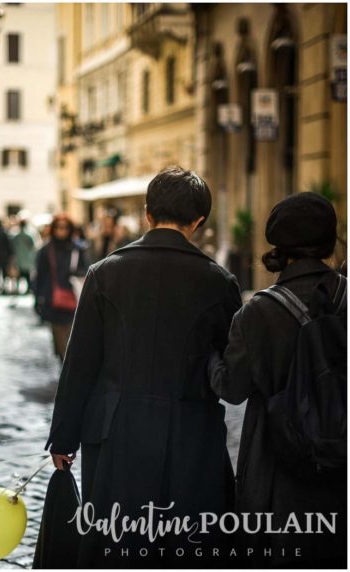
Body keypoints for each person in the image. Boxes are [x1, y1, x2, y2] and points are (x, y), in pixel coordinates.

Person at [45, 167, 241, 566]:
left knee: (116, 542)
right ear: (199, 220)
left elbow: (80, 363)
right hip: (190, 432)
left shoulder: (104, 274)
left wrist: (63, 437)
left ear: (148, 213)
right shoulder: (219, 282)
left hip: (116, 431)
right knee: (186, 546)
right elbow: (230, 368)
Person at [208, 193, 346, 567]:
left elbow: (231, 388)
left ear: (279, 248)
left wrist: (209, 355)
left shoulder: (257, 312)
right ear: (330, 242)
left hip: (279, 466)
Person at [33, 215, 88, 360]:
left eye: (65, 227)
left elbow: (86, 270)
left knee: (72, 341)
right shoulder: (46, 250)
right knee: (59, 345)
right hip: (53, 301)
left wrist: (76, 273)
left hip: (74, 298)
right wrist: (38, 298)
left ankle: (69, 366)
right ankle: (64, 364)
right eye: (58, 227)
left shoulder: (78, 249)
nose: (61, 231)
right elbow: (39, 275)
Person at [10, 220, 37, 295]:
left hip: (19, 258)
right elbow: (32, 247)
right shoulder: (29, 236)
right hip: (26, 259)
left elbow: (13, 247)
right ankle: (29, 288)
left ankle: (18, 288)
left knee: (19, 275)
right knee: (27, 275)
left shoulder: (16, 236)